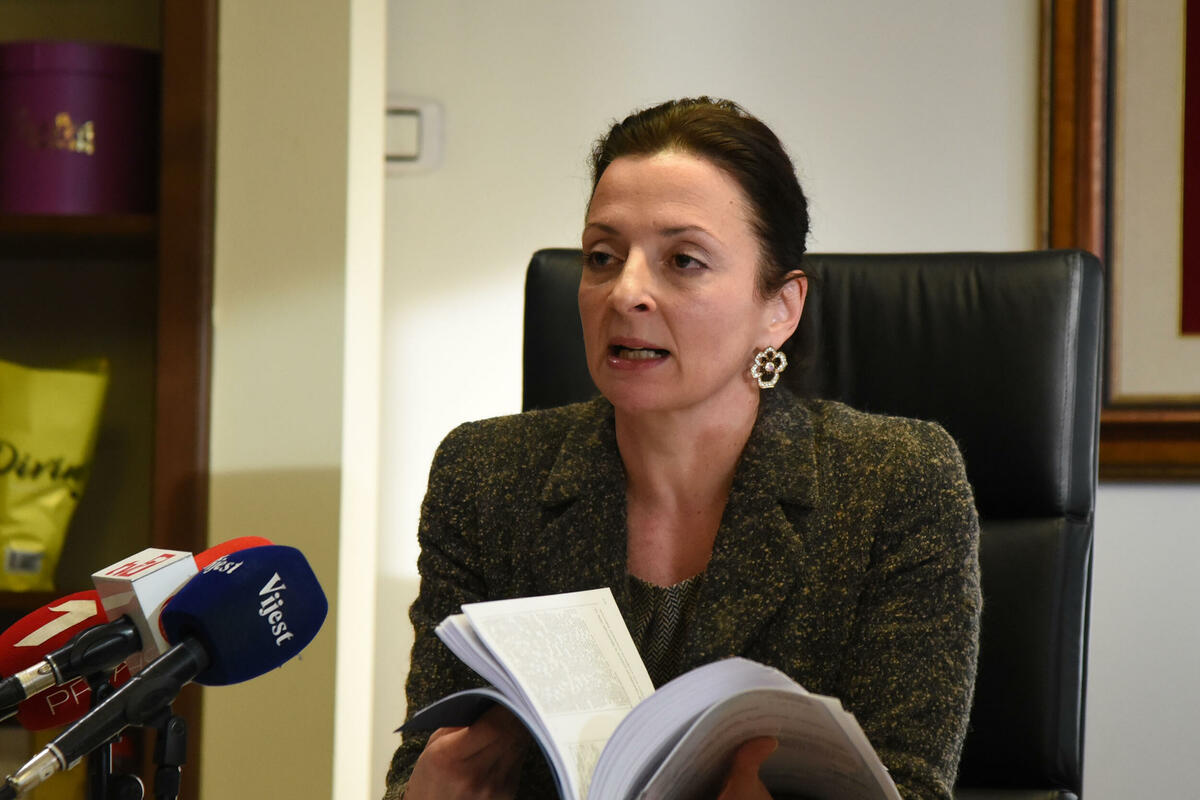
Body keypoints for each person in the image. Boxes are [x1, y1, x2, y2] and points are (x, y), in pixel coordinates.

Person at [384, 97, 981, 800]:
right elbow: (425, 759)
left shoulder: (897, 482)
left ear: (780, 309)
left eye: (684, 260)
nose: (625, 292)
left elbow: (910, 786)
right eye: (602, 257)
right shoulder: (484, 476)